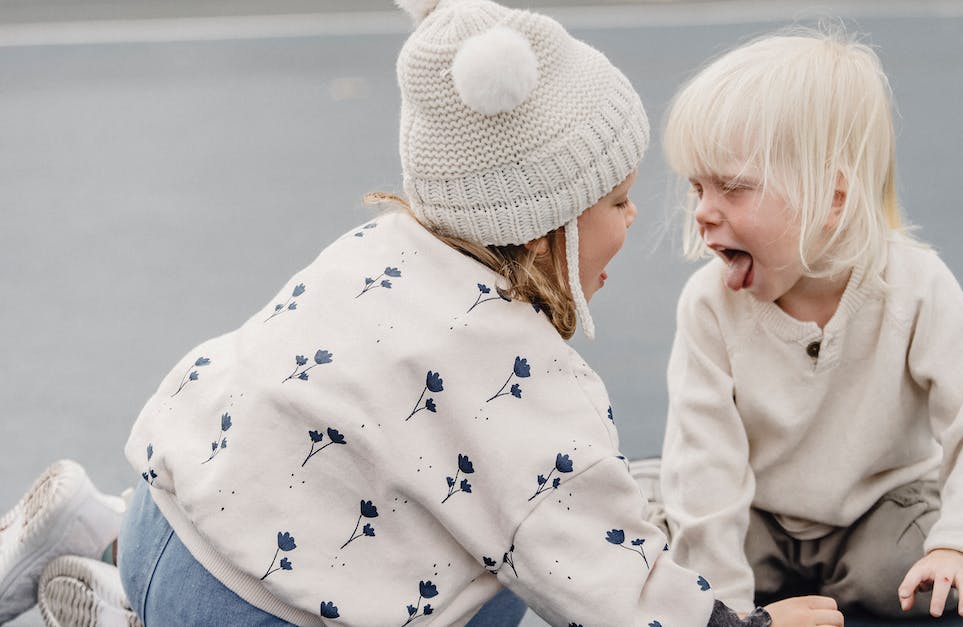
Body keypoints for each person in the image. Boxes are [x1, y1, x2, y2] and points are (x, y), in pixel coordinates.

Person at [0, 1, 847, 625]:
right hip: (250, 611)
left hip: (164, 516)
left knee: (354, 485)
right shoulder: (524, 379)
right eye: (618, 201)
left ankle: (104, 544)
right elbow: (596, 573)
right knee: (495, 582)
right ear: (549, 225)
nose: (634, 220)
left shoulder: (375, 248)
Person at [652, 28, 963, 620]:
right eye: (697, 187)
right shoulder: (710, 305)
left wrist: (958, 544)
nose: (704, 211)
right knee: (665, 556)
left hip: (881, 506)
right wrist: (728, 612)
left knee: (904, 579)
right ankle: (669, 503)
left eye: (731, 187)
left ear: (832, 198)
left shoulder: (915, 285)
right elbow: (707, 462)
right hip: (760, 508)